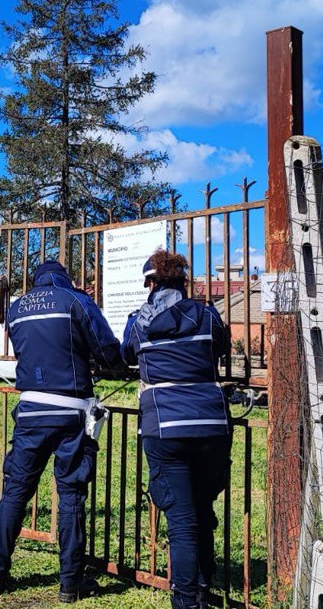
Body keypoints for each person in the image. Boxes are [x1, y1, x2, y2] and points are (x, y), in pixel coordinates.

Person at [0, 260, 122, 603]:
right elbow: (105, 349)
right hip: (71, 412)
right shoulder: (75, 301)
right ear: (66, 278)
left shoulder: (16, 309)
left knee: (15, 493)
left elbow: (26, 353)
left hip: (30, 410)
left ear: (36, 281)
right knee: (71, 495)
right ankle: (70, 584)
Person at [122, 250, 232, 609]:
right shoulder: (207, 315)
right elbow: (222, 347)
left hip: (165, 426)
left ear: (150, 283)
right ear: (184, 282)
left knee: (182, 522)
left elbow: (126, 355)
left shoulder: (139, 321)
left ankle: (186, 601)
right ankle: (202, 586)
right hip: (211, 426)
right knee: (202, 510)